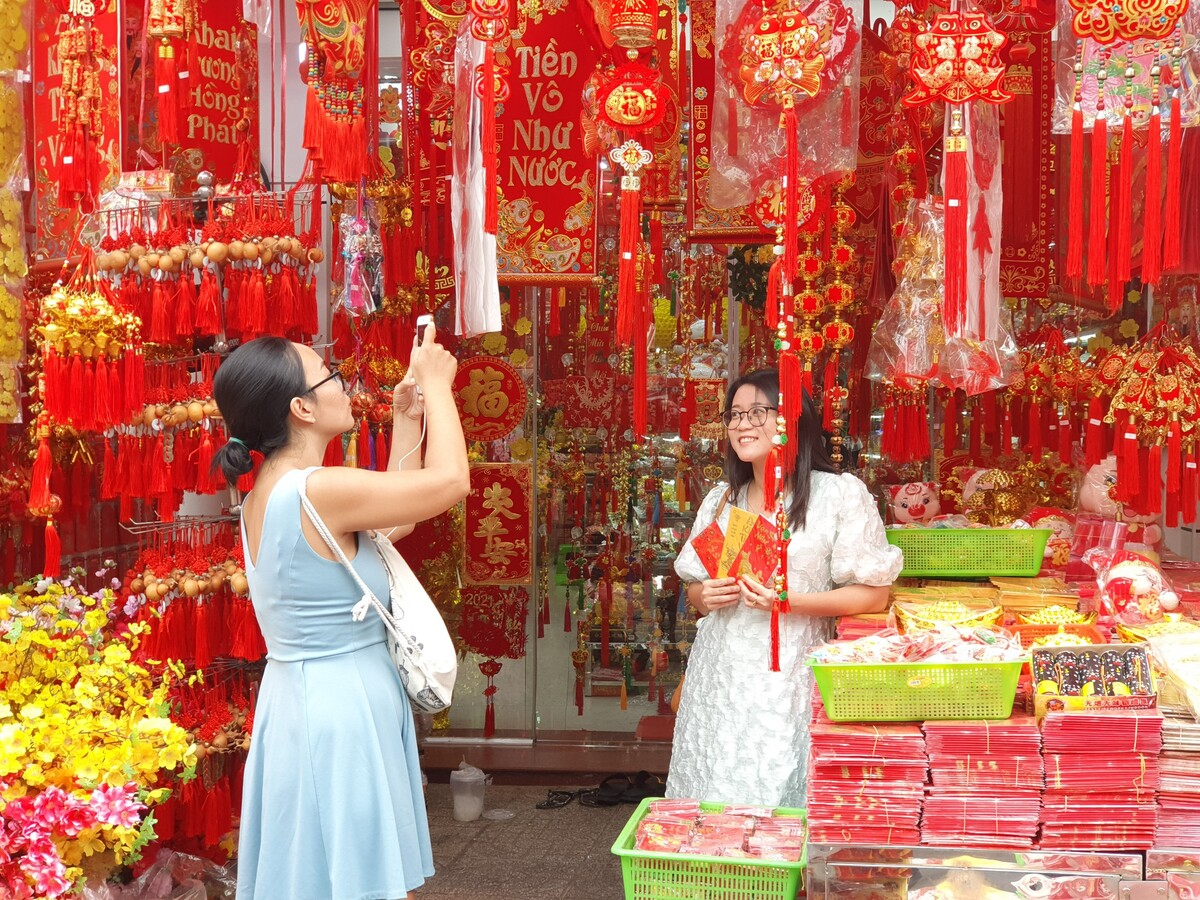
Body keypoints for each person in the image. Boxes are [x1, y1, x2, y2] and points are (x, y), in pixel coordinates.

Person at [213, 322, 468, 900]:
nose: (343, 384)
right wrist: (438, 382)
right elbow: (452, 481)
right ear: (301, 408)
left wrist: (409, 416)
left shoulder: (273, 490)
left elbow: (391, 522)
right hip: (339, 706)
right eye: (331, 376)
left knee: (325, 872)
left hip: (305, 698)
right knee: (352, 874)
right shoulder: (316, 487)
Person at [668, 368, 903, 808]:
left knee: (779, 780)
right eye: (734, 415)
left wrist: (789, 601)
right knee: (714, 777)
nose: (742, 425)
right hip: (721, 674)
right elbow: (695, 591)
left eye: (757, 411)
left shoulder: (838, 495)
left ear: (792, 419)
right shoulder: (723, 499)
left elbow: (874, 594)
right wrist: (705, 596)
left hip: (791, 671)